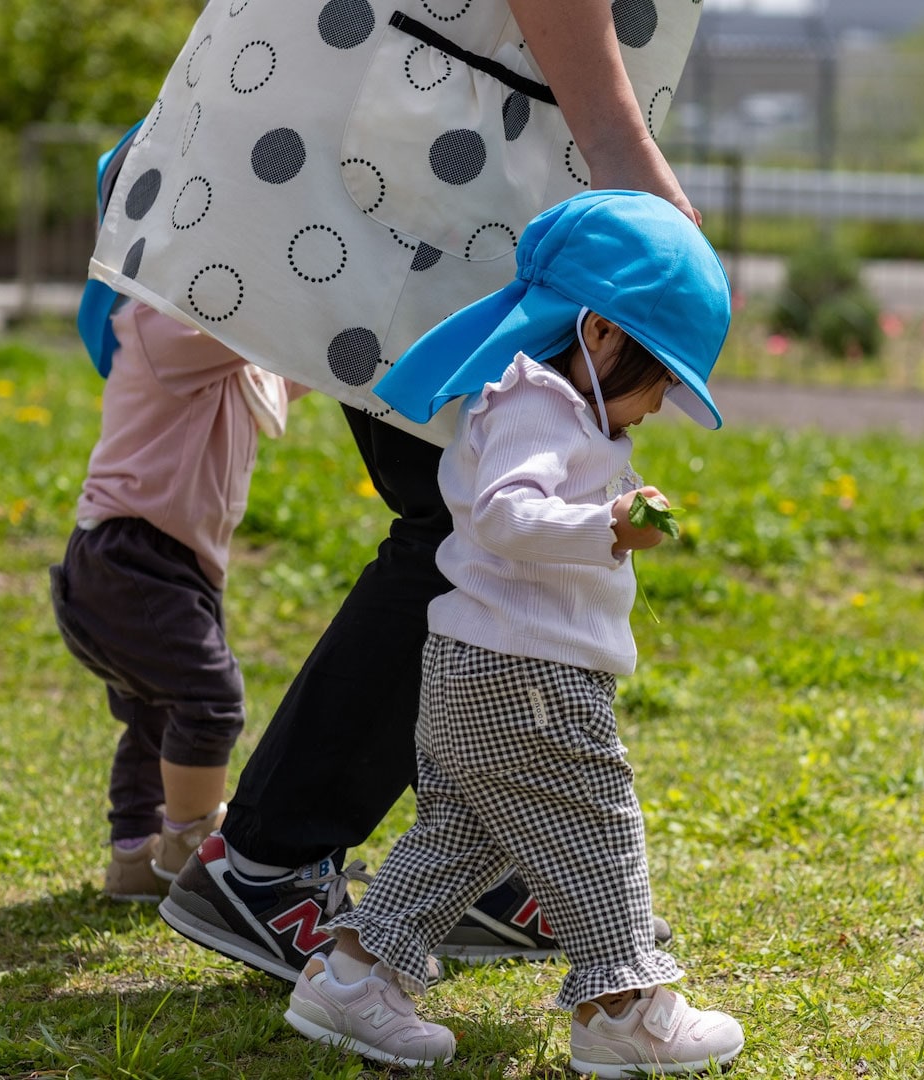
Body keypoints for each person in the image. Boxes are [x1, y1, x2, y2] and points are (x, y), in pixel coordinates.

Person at [83, 0, 710, 976]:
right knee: (460, 519)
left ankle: (461, 875)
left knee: (451, 507)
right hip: (429, 134)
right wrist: (620, 144)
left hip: (442, 124)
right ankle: (268, 860)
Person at [282, 190, 741, 1075]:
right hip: (527, 678)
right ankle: (624, 1010)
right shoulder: (535, 402)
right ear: (601, 333)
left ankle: (351, 981)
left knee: (458, 839)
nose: (655, 408)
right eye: (661, 381)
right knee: (595, 826)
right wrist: (606, 525)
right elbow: (503, 515)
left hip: (476, 670)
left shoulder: (554, 406)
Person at [49, 301, 306, 902]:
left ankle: (134, 856)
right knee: (209, 700)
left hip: (170, 562)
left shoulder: (223, 350)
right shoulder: (156, 322)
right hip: (130, 556)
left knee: (153, 713)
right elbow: (284, 334)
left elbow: (293, 373)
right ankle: (191, 841)